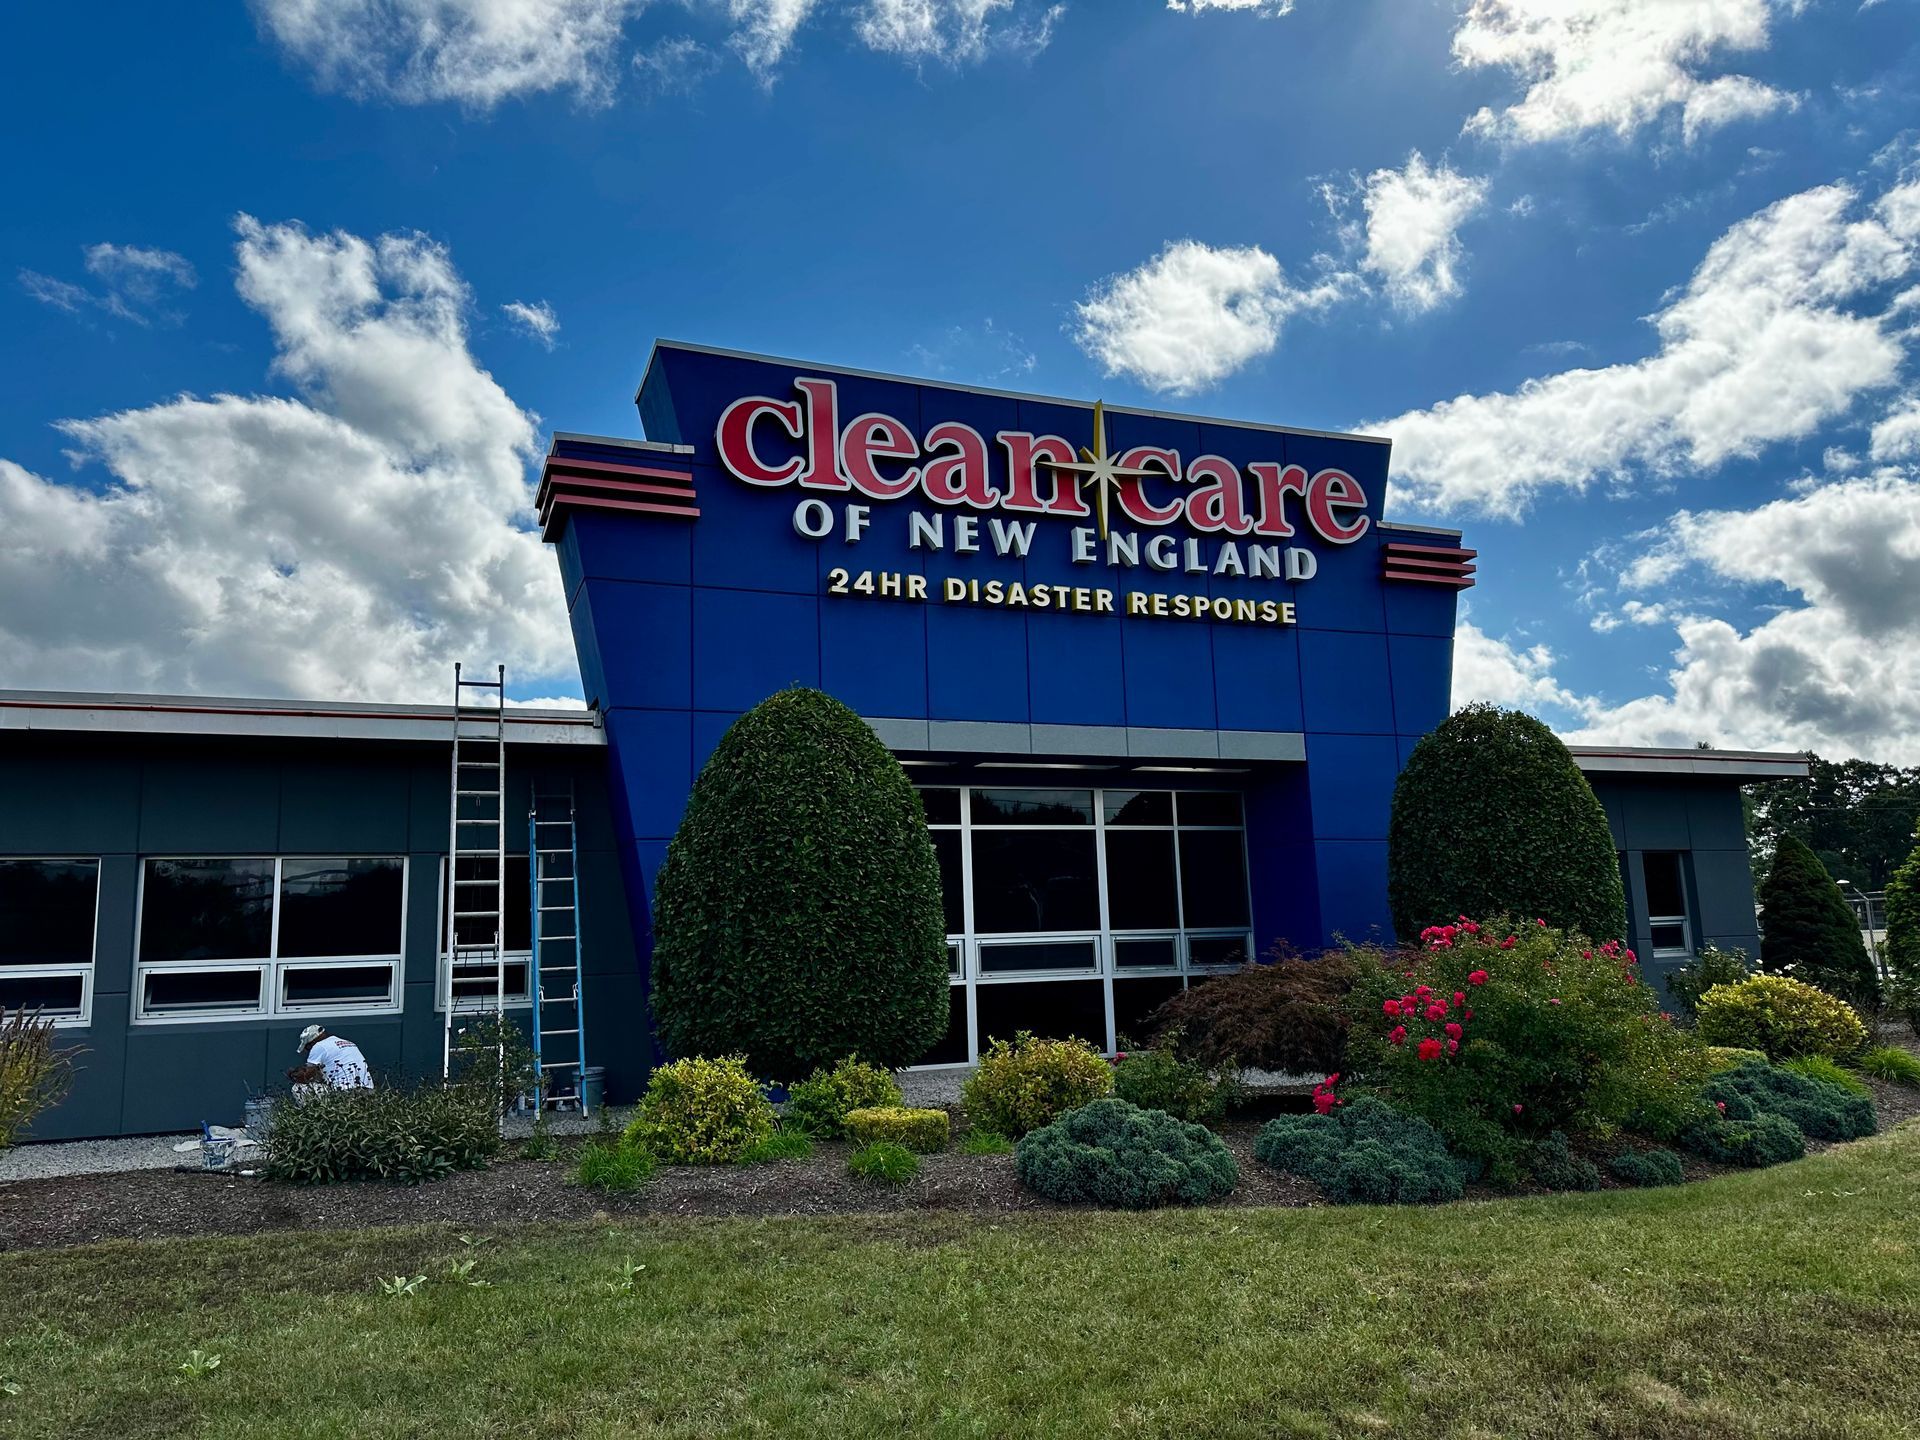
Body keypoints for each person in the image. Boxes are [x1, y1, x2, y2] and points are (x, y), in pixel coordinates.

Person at [289, 1024, 374, 1090]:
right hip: (369, 1090)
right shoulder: (349, 1043)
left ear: (312, 1042)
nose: (309, 1051)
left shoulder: (319, 1046)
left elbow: (306, 1076)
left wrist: (293, 1074)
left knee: (298, 1088)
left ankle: (315, 1112)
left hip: (344, 1092)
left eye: (307, 1048)